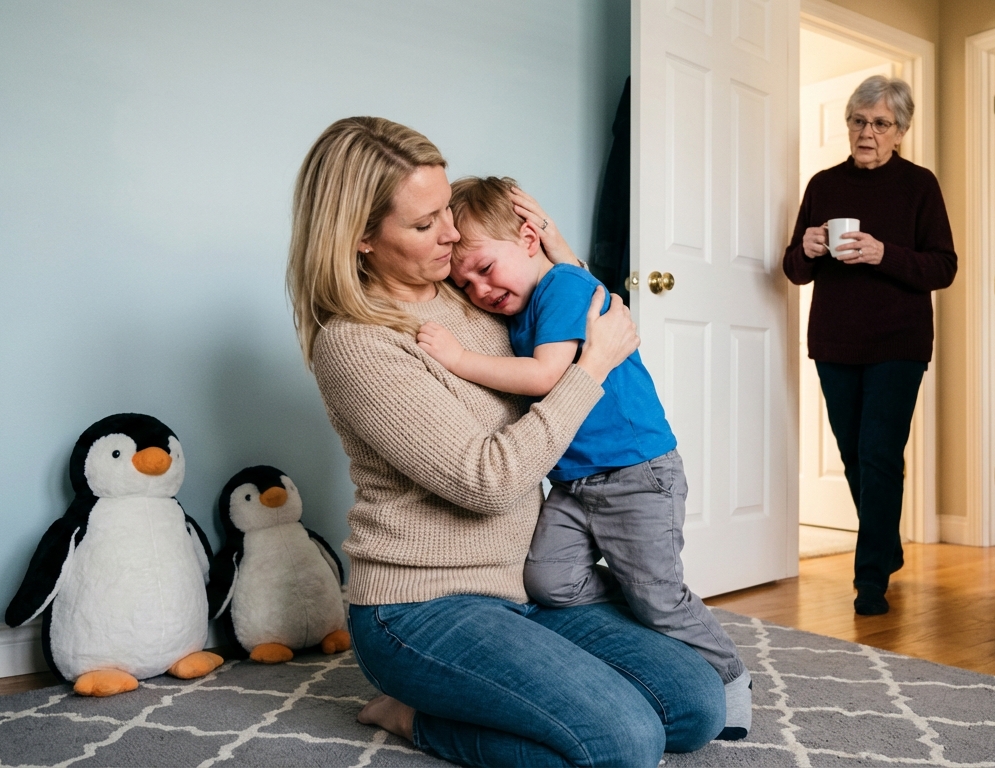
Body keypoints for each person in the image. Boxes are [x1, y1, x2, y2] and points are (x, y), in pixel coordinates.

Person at [286, 116, 725, 767]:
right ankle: (413, 717)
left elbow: (573, 304)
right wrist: (590, 371)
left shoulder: (475, 293)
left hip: (525, 585)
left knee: (697, 705)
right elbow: (487, 483)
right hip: (419, 608)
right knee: (625, 742)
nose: (452, 233)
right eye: (424, 223)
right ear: (361, 240)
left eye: (447, 211)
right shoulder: (357, 344)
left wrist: (553, 244)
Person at [414, 175, 751, 740]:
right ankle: (640, 586)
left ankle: (731, 677)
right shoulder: (529, 301)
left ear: (527, 241)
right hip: (573, 483)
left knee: (662, 600)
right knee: (548, 581)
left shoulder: (563, 287)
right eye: (464, 282)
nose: (478, 290)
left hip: (637, 473)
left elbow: (549, 375)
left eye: (484, 269)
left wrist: (457, 358)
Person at [782, 75, 957, 616]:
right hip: (835, 340)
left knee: (880, 453)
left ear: (900, 131)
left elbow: (943, 267)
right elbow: (794, 269)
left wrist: (885, 254)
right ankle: (887, 545)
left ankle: (870, 581)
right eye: (859, 121)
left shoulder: (919, 185)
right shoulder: (823, 185)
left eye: (881, 123)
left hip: (899, 343)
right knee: (855, 453)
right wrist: (807, 247)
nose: (867, 132)